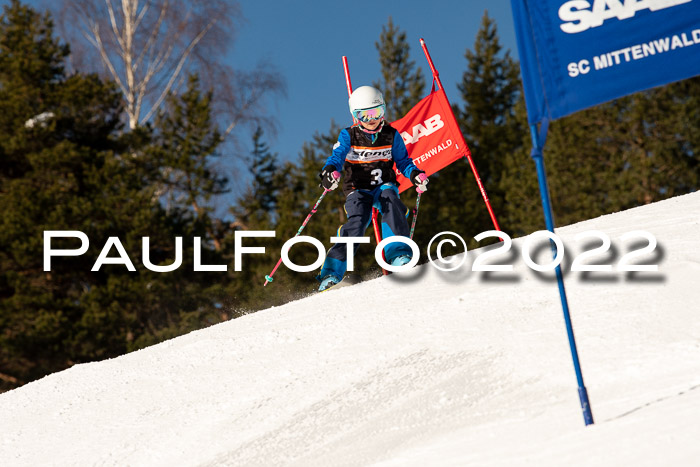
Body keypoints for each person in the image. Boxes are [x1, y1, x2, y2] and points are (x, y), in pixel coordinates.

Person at [316, 85, 429, 291]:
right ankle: (331, 273)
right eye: (364, 116)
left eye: (376, 113)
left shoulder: (391, 135)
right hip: (357, 188)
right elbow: (337, 155)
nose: (371, 120)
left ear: (383, 110)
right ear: (355, 117)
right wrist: (330, 171)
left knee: (391, 203)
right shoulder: (348, 135)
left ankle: (398, 255)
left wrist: (414, 174)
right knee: (357, 222)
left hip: (383, 184)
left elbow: (403, 161)